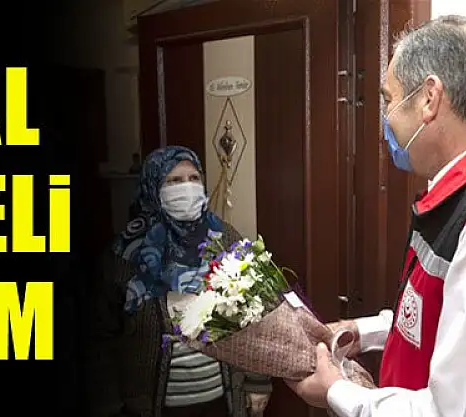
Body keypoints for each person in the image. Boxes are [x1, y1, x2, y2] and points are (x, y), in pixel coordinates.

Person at [285, 15, 466, 417]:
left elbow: (447, 410)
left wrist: (335, 392)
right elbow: (432, 319)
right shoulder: (444, 198)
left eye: (388, 99)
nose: (385, 119)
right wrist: (362, 332)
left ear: (429, 98)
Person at [90, 145, 272, 417]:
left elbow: (256, 316)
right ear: (153, 188)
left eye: (194, 178)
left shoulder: (225, 238)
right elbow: (100, 336)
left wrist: (258, 381)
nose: (187, 187)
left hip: (223, 399)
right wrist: (108, 403)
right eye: (174, 181)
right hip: (151, 406)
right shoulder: (125, 254)